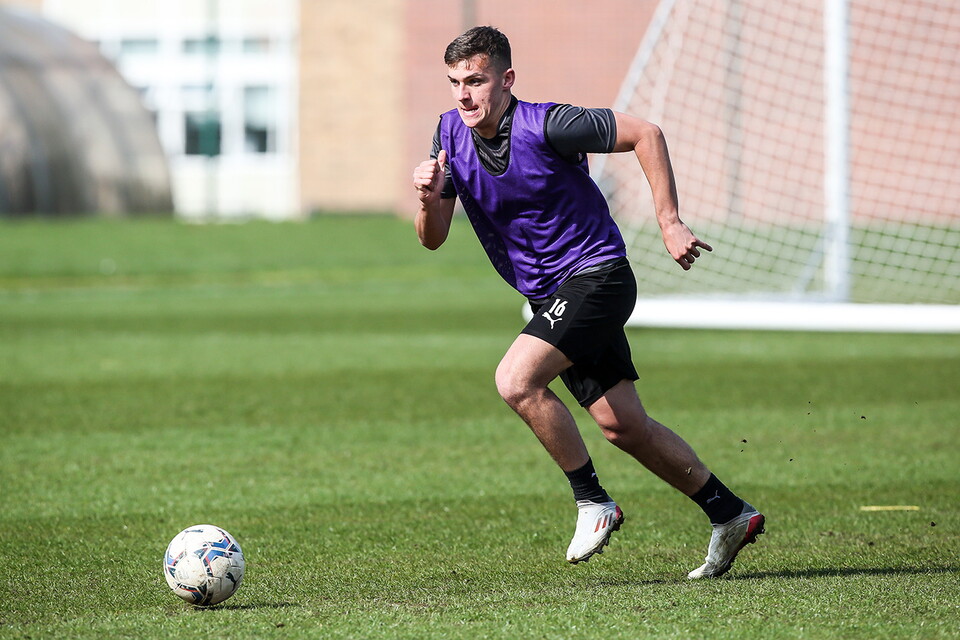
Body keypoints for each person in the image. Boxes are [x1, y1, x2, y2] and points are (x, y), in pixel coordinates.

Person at [412, 26, 764, 579]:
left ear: (505, 79)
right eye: (454, 82)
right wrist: (429, 197)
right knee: (623, 426)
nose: (463, 95)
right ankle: (729, 513)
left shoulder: (550, 123)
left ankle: (593, 501)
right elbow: (432, 237)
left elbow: (645, 133)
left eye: (475, 81)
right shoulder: (447, 135)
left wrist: (669, 222)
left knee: (515, 380)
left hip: (597, 277)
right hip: (550, 296)